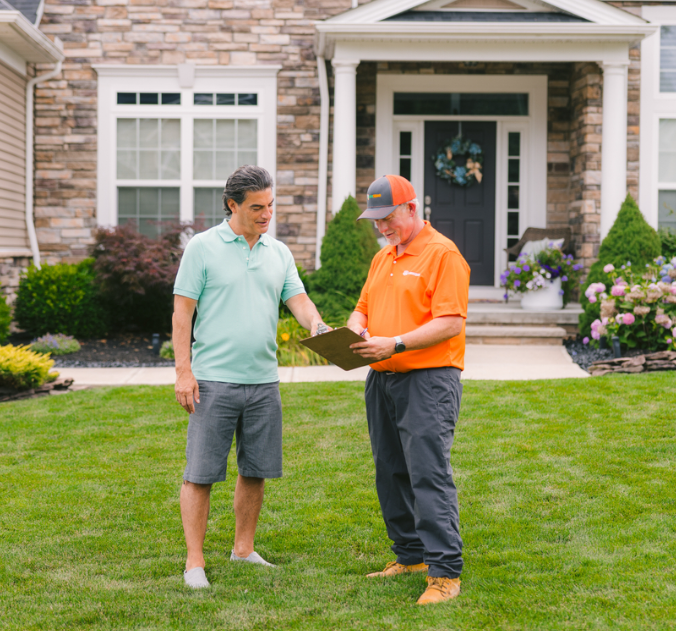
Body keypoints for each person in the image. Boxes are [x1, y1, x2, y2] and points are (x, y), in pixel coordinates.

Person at [173, 165, 327, 589]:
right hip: (212, 382)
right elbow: (182, 313)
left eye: (270, 205)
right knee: (200, 473)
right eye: (257, 207)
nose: (266, 214)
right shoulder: (202, 248)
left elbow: (299, 300)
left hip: (263, 382)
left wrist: (318, 328)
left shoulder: (278, 252)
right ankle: (194, 563)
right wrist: (183, 371)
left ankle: (243, 549)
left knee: (255, 470)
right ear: (232, 205)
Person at [346, 174, 470, 605]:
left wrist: (395, 342)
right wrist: (352, 330)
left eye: (388, 218)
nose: (381, 227)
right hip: (382, 378)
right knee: (390, 470)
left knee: (428, 474)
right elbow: (363, 307)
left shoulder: (442, 254)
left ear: (412, 209)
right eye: (375, 220)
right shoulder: (385, 257)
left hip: (429, 381)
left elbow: (450, 321)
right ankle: (410, 555)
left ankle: (445, 573)